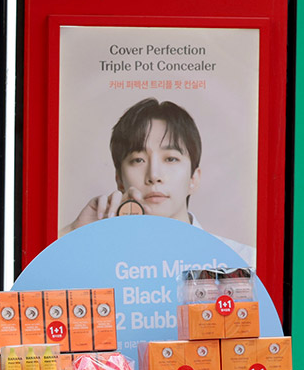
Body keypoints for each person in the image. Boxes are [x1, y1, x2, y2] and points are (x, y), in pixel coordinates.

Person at [61, 97, 257, 267]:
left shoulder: (243, 261)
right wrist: (73, 235)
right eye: (138, 160)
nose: (154, 175)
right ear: (119, 180)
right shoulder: (92, 262)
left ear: (193, 179)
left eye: (170, 158)